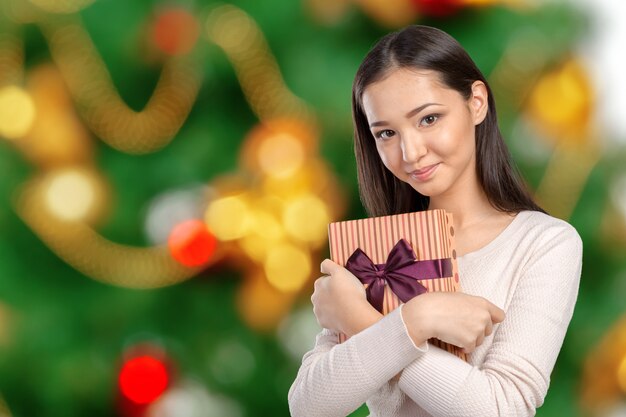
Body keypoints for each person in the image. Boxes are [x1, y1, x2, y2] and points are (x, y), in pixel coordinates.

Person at [287, 25, 582, 417]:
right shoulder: (375, 252)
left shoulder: (544, 243)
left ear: (476, 102)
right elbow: (309, 406)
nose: (410, 152)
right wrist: (417, 320)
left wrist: (364, 320)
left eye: (428, 119)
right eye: (387, 132)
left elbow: (501, 409)